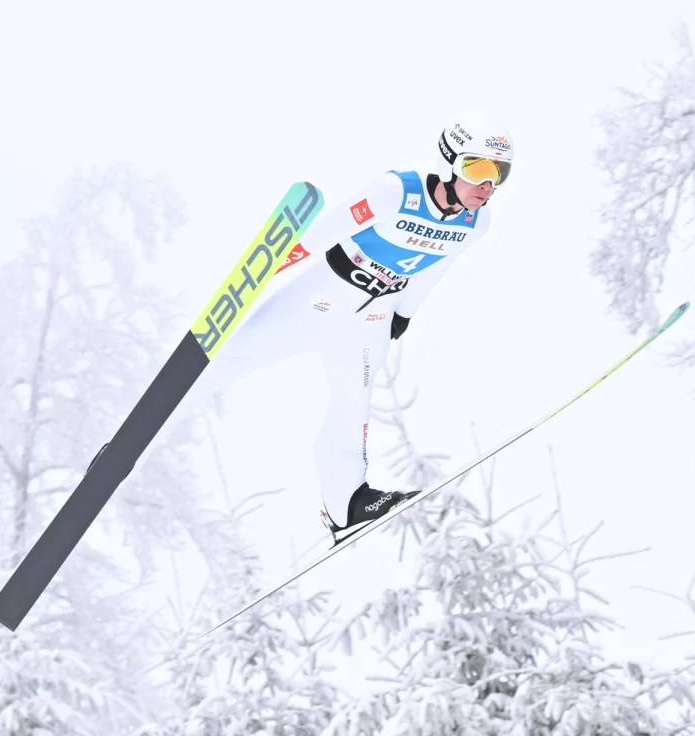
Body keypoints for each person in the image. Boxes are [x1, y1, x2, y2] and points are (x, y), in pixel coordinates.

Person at [197, 115, 514, 544]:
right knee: (225, 366)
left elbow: (434, 269)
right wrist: (259, 276)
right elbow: (316, 236)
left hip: (371, 319)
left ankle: (346, 504)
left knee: (353, 404)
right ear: (451, 162)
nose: (487, 185)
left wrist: (402, 316)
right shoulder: (394, 192)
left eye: (499, 174)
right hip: (318, 301)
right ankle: (140, 437)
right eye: (478, 169)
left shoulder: (476, 224)